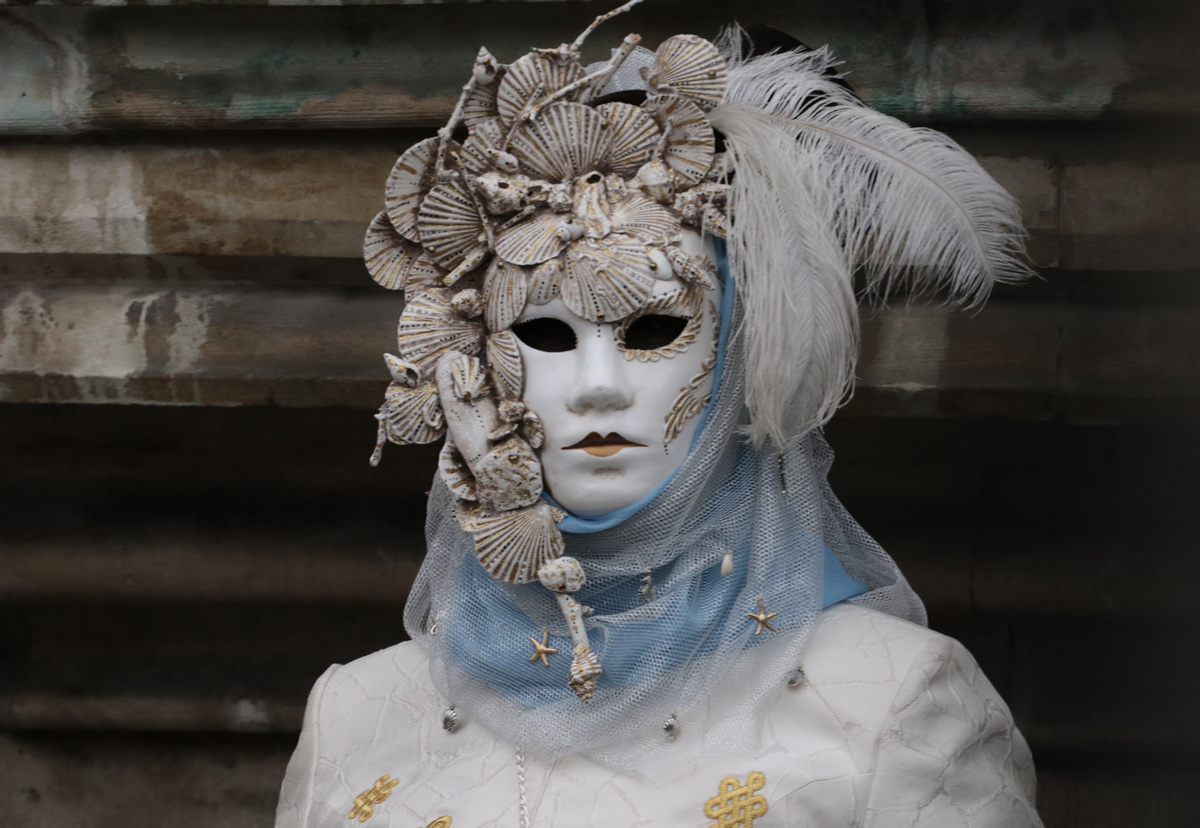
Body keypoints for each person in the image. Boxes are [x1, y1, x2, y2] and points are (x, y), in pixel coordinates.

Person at [276, 5, 1042, 825]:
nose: (597, 386)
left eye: (652, 330)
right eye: (545, 333)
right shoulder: (358, 719)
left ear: (741, 356)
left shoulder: (891, 710)